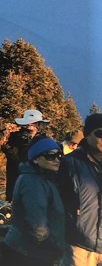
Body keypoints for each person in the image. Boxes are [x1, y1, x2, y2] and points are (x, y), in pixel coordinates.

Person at [1, 136, 65, 266]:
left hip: (28, 250)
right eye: (50, 156)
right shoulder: (34, 183)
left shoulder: (44, 178)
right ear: (35, 159)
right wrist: (56, 245)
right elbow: (38, 226)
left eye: (59, 155)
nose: (57, 159)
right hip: (27, 254)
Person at [58, 113, 102, 265]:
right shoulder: (70, 163)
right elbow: (58, 202)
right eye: (100, 133)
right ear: (88, 134)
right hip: (79, 246)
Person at [3, 109, 48, 201]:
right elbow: (13, 157)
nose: (31, 125)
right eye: (29, 123)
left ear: (39, 125)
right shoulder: (16, 137)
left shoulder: (43, 140)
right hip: (17, 173)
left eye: (34, 123)